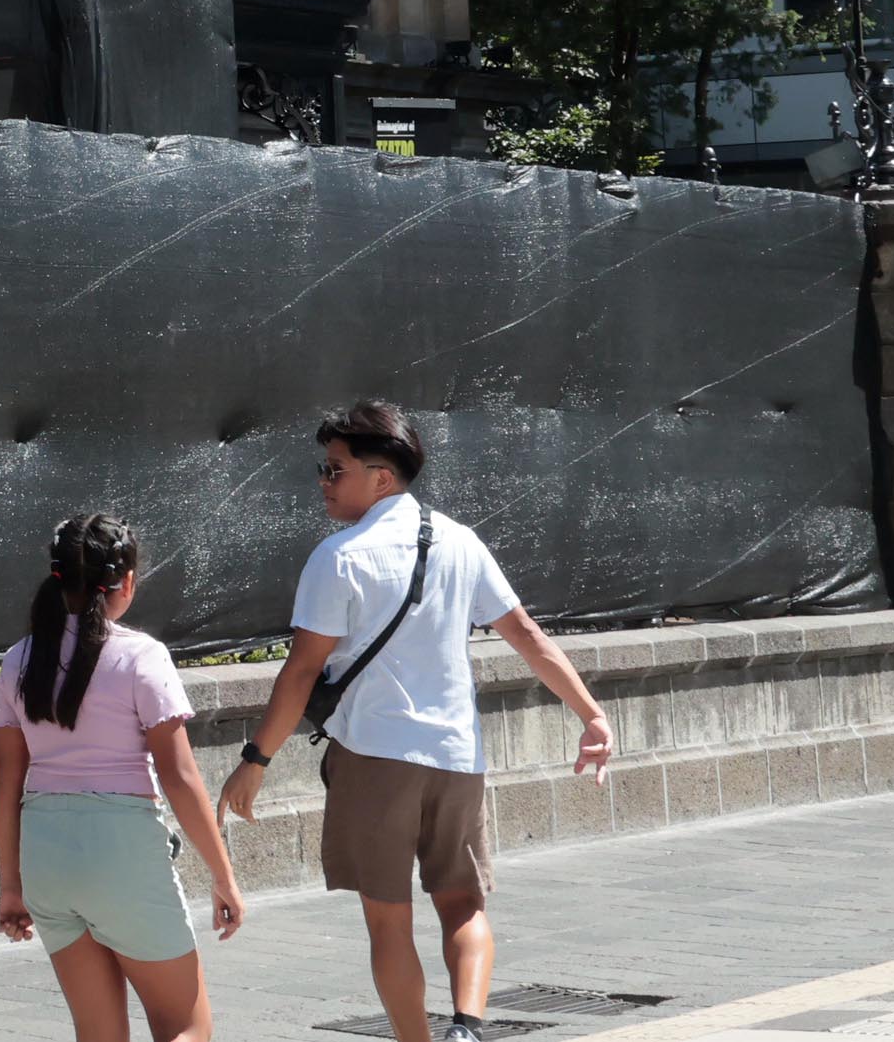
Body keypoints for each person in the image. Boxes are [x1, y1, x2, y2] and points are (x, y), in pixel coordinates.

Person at [219, 403, 613, 1042]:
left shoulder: (339, 556)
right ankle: (468, 1027)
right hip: (458, 756)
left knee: (388, 920)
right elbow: (527, 633)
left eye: (335, 468)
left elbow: (299, 674)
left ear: (381, 478)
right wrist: (591, 715)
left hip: (375, 756)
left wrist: (256, 761)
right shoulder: (461, 539)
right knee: (463, 903)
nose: (324, 480)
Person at [0, 512, 246, 1042]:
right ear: (125, 582)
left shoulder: (18, 661)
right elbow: (179, 778)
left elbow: (5, 784)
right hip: (123, 849)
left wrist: (10, 887)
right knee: (185, 1025)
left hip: (46, 858)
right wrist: (223, 875)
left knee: (98, 1033)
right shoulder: (141, 658)